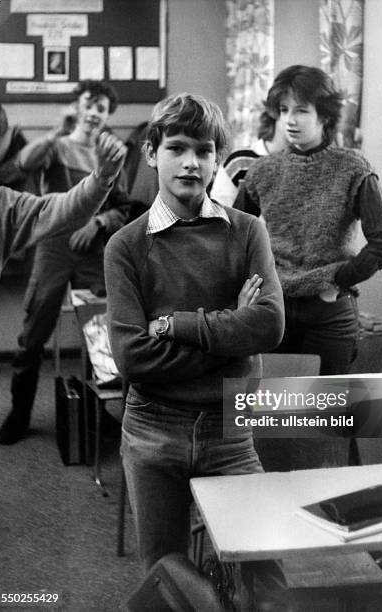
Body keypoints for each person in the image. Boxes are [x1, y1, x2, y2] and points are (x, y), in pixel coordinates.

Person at [104, 92, 284, 571]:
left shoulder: (247, 231)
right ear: (151, 153)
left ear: (218, 159)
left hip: (230, 425)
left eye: (204, 151)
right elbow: (133, 358)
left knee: (259, 567)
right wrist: (229, 334)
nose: (191, 163)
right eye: (177, 148)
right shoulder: (125, 245)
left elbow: (269, 325)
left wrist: (175, 326)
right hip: (152, 428)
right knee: (167, 574)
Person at [0, 94, 126, 539]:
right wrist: (56, 130)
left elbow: (105, 206)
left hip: (89, 251)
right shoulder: (54, 144)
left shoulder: (107, 152)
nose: (94, 113)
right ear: (77, 106)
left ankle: (100, 422)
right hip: (52, 251)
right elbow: (20, 165)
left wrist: (102, 209)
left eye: (102, 108)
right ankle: (19, 414)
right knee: (33, 335)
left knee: (100, 340)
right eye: (89, 104)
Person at [235, 65, 382, 375]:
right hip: (274, 308)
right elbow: (235, 239)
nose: (289, 120)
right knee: (272, 413)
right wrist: (256, 287)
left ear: (323, 115)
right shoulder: (262, 170)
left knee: (325, 414)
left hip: (329, 311)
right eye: (283, 110)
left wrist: (338, 281)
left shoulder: (352, 167)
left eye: (301, 110)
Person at [209, 109, 287, 207]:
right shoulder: (239, 161)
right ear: (274, 114)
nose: (295, 119)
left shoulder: (306, 163)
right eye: (285, 110)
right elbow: (217, 212)